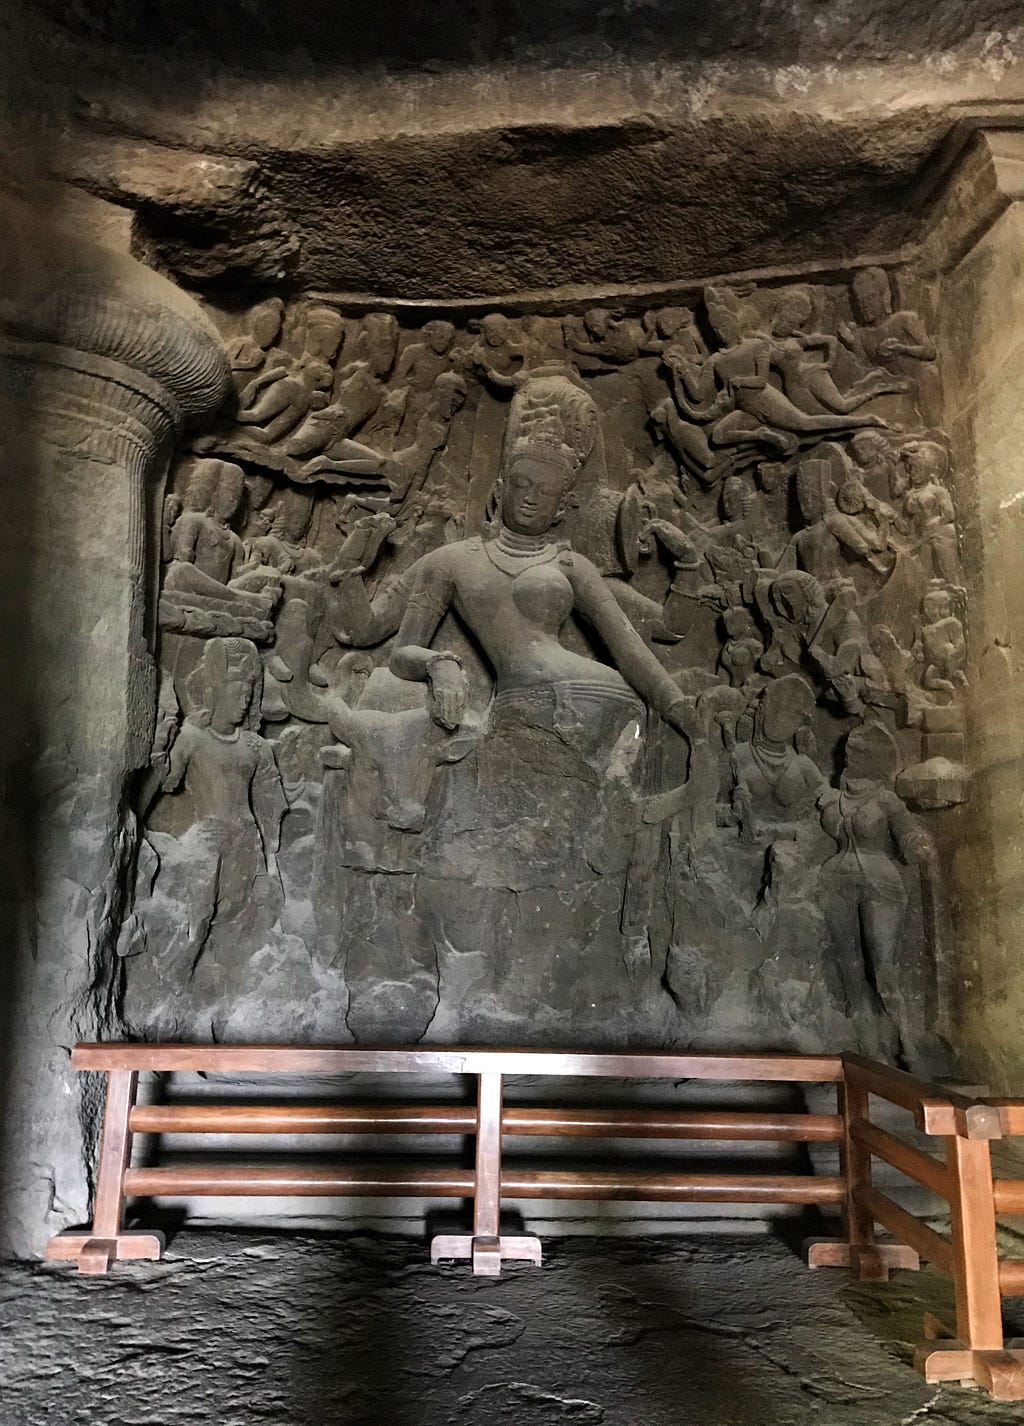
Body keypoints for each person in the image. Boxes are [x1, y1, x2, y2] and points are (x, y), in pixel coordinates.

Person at [388, 434, 701, 745]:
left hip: (605, 699)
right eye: (522, 484)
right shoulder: (453, 560)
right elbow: (400, 652)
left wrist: (679, 708)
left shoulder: (572, 565)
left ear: (562, 507)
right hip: (525, 703)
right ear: (499, 491)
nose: (531, 497)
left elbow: (630, 649)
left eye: (546, 491)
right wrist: (439, 664)